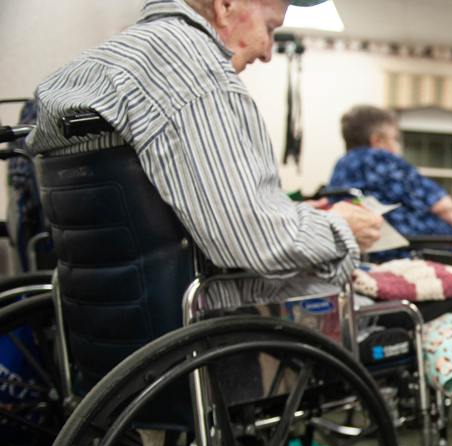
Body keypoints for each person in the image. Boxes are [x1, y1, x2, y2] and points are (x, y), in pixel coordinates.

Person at [26, 0, 383, 288]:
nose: (267, 52)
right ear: (226, 5)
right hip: (197, 335)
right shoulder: (192, 67)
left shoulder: (92, 66)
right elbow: (253, 240)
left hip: (107, 331)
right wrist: (340, 226)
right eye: (270, 28)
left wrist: (293, 212)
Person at [328, 105, 452, 262]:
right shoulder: (382, 159)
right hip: (407, 253)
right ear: (377, 141)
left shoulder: (341, 165)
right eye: (396, 138)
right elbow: (443, 206)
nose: (398, 145)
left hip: (359, 253)